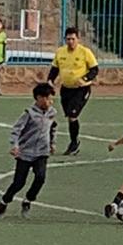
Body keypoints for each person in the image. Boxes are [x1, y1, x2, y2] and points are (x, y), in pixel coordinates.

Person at [0, 82, 57, 218]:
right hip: (25, 152)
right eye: (47, 98)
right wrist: (15, 146)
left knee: (40, 178)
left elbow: (53, 128)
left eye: (52, 99)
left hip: (42, 152)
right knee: (19, 182)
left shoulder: (52, 112)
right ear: (38, 98)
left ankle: (28, 200)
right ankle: (5, 201)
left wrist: (52, 143)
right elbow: (16, 130)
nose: (50, 102)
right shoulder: (29, 114)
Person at [47, 26, 99, 157]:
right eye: (68, 39)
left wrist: (84, 78)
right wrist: (50, 80)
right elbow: (55, 68)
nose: (70, 41)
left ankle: (74, 143)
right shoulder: (60, 52)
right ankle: (74, 141)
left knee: (73, 115)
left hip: (81, 90)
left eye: (73, 39)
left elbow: (94, 69)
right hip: (66, 89)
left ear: (78, 39)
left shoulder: (85, 52)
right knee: (69, 117)